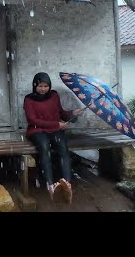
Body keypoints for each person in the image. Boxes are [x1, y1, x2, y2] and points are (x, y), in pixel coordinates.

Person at [23, 72, 84, 204]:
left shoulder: (54, 95)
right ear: (35, 85)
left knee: (63, 147)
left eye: (46, 86)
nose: (43, 89)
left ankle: (67, 184)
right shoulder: (29, 99)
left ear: (49, 86)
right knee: (45, 147)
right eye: (40, 86)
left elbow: (61, 113)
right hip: (37, 130)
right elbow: (32, 120)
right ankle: (50, 184)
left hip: (55, 129)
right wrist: (56, 124)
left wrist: (73, 113)